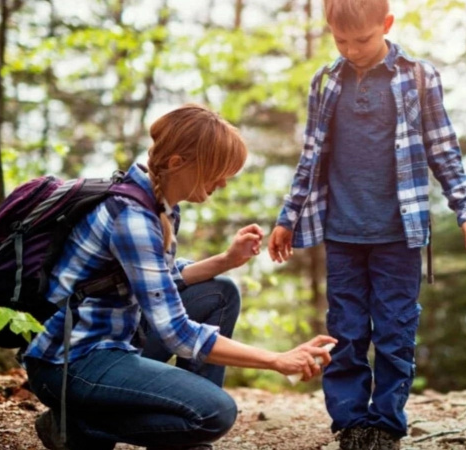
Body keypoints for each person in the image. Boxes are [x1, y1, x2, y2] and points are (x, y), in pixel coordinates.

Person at [23, 104, 337, 450]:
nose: (223, 182)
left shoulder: (158, 204)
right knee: (215, 413)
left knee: (220, 293)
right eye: (218, 171)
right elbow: (178, 334)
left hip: (115, 342)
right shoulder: (133, 218)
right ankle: (80, 425)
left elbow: (164, 280)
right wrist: (276, 360)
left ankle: (183, 434)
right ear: (176, 163)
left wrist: (227, 260)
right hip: (70, 362)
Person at [267, 1, 466, 449]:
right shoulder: (326, 81)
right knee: (345, 331)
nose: (351, 50)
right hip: (342, 232)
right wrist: (287, 217)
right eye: (339, 40)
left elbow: (443, 150)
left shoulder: (418, 77)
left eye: (362, 40)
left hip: (399, 235)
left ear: (386, 25)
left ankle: (385, 423)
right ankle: (350, 421)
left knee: (395, 329)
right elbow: (310, 157)